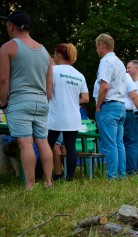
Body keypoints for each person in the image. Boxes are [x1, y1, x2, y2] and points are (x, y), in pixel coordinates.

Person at [0, 10, 54, 190]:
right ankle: (48, 182)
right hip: (41, 102)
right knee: (43, 142)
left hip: (20, 101)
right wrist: (44, 101)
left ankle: (30, 185)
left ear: (11, 26)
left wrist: (3, 103)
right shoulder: (45, 52)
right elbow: (49, 86)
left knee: (25, 143)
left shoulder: (8, 47)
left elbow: (3, 80)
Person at [45, 43, 89, 180]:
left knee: (47, 146)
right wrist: (71, 101)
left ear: (58, 54)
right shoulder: (79, 75)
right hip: (73, 117)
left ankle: (40, 175)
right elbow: (85, 98)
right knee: (71, 148)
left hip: (56, 116)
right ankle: (69, 178)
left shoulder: (53, 71)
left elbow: (48, 93)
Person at [93, 33, 127, 180]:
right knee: (119, 143)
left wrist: (98, 105)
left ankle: (112, 176)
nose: (96, 50)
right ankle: (121, 174)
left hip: (109, 106)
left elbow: (105, 86)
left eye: (96, 47)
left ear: (101, 45)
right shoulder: (120, 62)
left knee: (110, 144)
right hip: (120, 105)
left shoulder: (105, 62)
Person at [123, 72, 138, 175]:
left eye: (129, 67)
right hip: (131, 113)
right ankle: (131, 170)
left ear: (136, 68)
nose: (127, 69)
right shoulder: (128, 78)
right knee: (131, 143)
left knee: (137, 143)